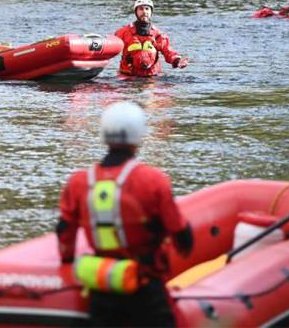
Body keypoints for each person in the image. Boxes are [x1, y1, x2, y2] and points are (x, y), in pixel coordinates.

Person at [56, 101, 194, 327]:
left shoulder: (79, 182)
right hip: (145, 288)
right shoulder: (153, 181)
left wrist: (67, 262)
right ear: (138, 135)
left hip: (102, 287)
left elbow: (64, 231)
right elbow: (182, 237)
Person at [115, 0, 188, 77]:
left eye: (147, 9)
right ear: (136, 12)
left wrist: (177, 60)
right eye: (141, 9)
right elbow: (111, 46)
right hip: (127, 76)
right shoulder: (123, 32)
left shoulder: (158, 35)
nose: (144, 12)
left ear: (151, 12)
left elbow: (168, 52)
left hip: (151, 77)